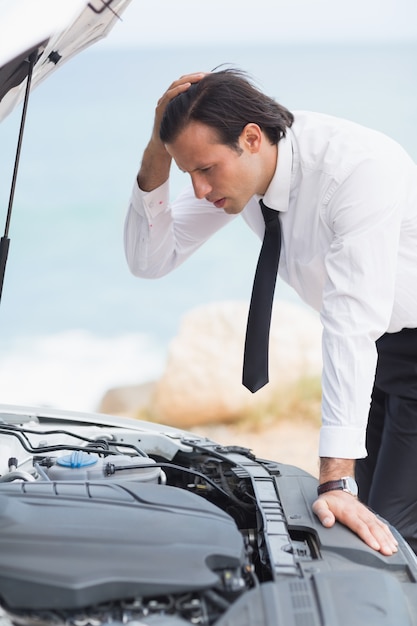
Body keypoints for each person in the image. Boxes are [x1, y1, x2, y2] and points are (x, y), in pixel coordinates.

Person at [124, 68, 417, 556]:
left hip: (399, 341)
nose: (198, 190)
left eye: (206, 169)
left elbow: (350, 321)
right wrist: (157, 151)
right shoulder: (240, 172)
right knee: (371, 524)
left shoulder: (355, 172)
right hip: (379, 353)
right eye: (187, 172)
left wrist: (334, 480)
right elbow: (149, 258)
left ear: (252, 138)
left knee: (390, 536)